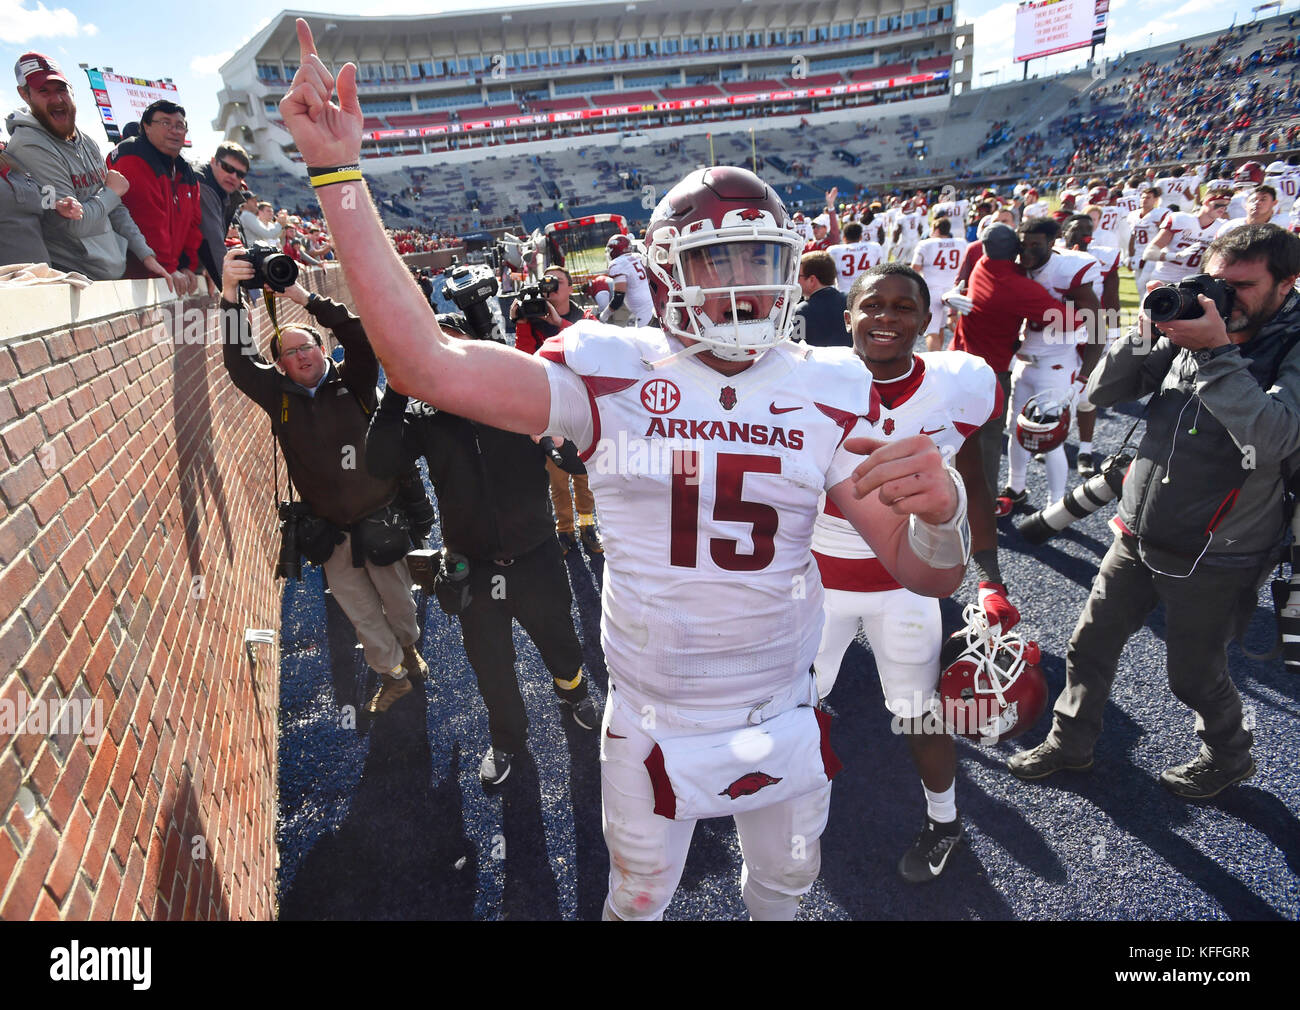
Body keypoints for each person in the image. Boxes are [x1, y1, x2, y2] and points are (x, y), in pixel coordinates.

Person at [276, 18, 965, 921]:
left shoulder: (830, 385)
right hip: (649, 717)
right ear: (665, 272)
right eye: (715, 260)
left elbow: (925, 572)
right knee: (635, 900)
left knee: (786, 892)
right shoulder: (614, 371)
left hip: (781, 707)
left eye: (758, 259)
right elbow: (427, 367)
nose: (742, 287)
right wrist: (339, 179)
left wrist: (944, 513)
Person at [1008, 224, 1300, 800]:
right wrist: (1145, 333)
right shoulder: (1191, 326)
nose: (1223, 295)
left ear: (1287, 284)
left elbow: (1273, 439)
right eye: (1218, 280)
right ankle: (1071, 739)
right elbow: (1103, 391)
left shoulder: (1291, 345)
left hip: (1222, 550)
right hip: (1139, 527)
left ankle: (1229, 754)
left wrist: (1216, 351)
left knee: (1192, 675)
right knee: (1089, 644)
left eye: (1242, 285)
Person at [810, 263, 1011, 883]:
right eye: (873, 305)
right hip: (819, 580)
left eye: (904, 307)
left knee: (917, 712)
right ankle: (790, 806)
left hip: (906, 585)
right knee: (792, 704)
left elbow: (974, 481)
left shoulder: (959, 384)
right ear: (848, 318)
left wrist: (990, 577)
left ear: (928, 320)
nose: (887, 318)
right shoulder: (806, 379)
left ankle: (946, 821)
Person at [365, 311, 600, 787]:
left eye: (456, 347)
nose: (448, 360)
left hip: (535, 555)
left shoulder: (517, 397)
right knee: (491, 664)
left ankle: (572, 693)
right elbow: (378, 459)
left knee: (562, 641)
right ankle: (508, 739)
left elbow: (575, 456)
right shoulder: (423, 412)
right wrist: (397, 387)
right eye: (436, 349)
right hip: (469, 564)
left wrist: (558, 440)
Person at [219, 245, 427, 715]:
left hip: (381, 517)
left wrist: (298, 293)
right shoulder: (278, 397)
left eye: (307, 345)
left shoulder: (353, 380)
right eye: (289, 352)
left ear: (321, 348)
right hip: (331, 529)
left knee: (398, 604)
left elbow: (356, 334)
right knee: (360, 613)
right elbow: (237, 360)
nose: (300, 356)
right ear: (280, 365)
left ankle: (410, 649)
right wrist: (230, 293)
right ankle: (392, 675)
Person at [6, 52, 169, 285]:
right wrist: (111, 193)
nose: (57, 99)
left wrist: (144, 253)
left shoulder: (87, 141)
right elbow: (75, 225)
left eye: (61, 89)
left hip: (111, 271)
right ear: (25, 94)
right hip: (75, 279)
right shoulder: (28, 144)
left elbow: (115, 207)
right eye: (44, 91)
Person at [947, 224, 1071, 501]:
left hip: (956, 361)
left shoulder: (982, 262)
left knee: (955, 436)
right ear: (1015, 247)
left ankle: (953, 497)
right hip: (989, 372)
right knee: (989, 440)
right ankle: (984, 505)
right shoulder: (1018, 286)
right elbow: (1070, 320)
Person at [996, 217, 1101, 517]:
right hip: (1025, 362)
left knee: (1049, 438)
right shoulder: (1017, 269)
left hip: (1057, 365)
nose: (1027, 252)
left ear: (1052, 244)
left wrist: (1082, 378)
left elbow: (1097, 328)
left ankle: (1055, 504)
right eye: (1023, 244)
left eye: (1035, 245)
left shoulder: (1066, 271)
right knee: (1016, 430)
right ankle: (1015, 488)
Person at [512, 265, 603, 556]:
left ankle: (588, 525)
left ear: (569, 288)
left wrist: (557, 325)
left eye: (557, 282)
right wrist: (523, 322)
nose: (550, 287)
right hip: (549, 408)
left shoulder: (584, 317)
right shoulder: (531, 319)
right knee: (558, 477)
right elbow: (522, 360)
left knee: (584, 474)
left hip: (581, 407)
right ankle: (565, 530)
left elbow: (592, 349)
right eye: (546, 282)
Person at [106, 99, 202, 294]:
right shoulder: (132, 154)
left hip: (165, 275)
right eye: (165, 123)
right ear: (146, 127)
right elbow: (146, 218)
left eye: (180, 125)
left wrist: (186, 265)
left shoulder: (186, 170)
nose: (174, 130)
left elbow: (193, 223)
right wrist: (167, 267)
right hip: (133, 279)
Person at [1061, 214, 1121, 476]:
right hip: (1057, 335)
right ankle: (1056, 443)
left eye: (1089, 227)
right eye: (1078, 228)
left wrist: (1115, 332)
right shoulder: (1052, 253)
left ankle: (1085, 450)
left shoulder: (1104, 256)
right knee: (1057, 395)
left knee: (1086, 397)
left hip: (1089, 335)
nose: (1085, 232)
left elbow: (1111, 294)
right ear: (1065, 232)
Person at [0, 141, 81, 268]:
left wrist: (58, 211)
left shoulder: (14, 162)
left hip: (42, 277)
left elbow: (38, 223)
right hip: (8, 283)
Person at [196, 141, 251, 289]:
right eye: (228, 168)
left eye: (240, 174)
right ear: (213, 162)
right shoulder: (204, 184)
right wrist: (234, 297)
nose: (233, 176)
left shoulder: (225, 191)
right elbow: (213, 242)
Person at [911, 217, 968, 351]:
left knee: (931, 331)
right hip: (954, 290)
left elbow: (915, 268)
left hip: (932, 290)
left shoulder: (926, 244)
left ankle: (935, 365)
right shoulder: (961, 242)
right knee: (941, 327)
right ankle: (942, 357)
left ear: (936, 230)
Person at [793, 250, 849, 346]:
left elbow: (795, 348)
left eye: (798, 276)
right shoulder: (850, 301)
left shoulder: (802, 310)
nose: (795, 281)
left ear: (812, 280)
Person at [604, 233, 654, 326]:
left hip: (643, 313)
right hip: (653, 305)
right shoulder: (638, 256)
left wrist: (604, 316)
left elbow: (618, 298)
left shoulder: (617, 264)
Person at [826, 220, 883, 297]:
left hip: (845, 294)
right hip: (867, 292)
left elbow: (831, 274)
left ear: (844, 238)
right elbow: (878, 270)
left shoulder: (834, 250)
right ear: (860, 237)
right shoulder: (874, 247)